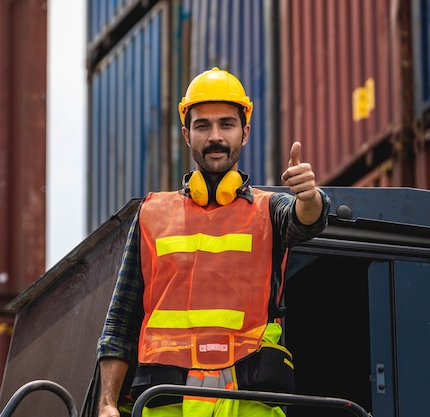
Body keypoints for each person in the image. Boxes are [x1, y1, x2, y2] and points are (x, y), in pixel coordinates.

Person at [95, 67, 331, 417]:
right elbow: (120, 324)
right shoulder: (151, 215)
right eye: (203, 126)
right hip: (164, 406)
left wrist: (310, 196)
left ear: (245, 133)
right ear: (187, 134)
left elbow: (305, 221)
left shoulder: (270, 210)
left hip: (249, 407)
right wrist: (108, 403)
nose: (215, 136)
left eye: (227, 124)